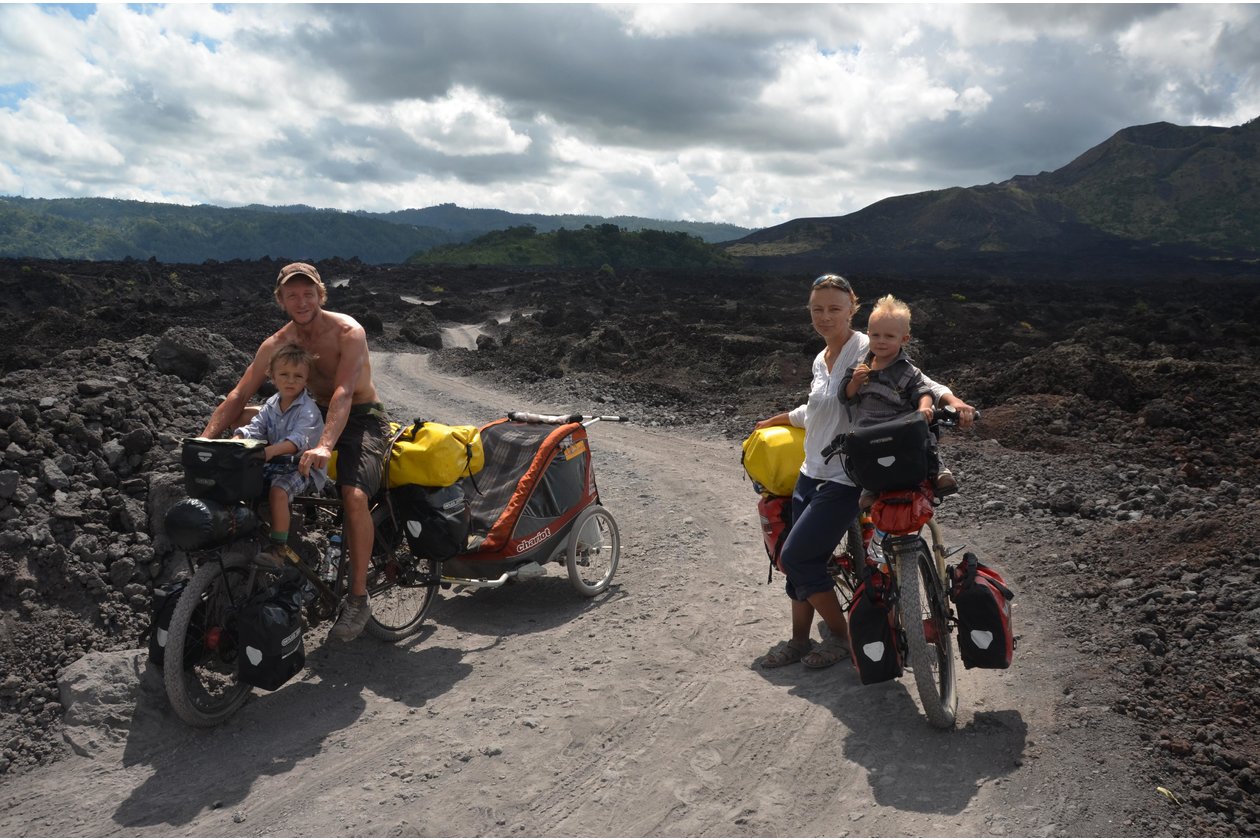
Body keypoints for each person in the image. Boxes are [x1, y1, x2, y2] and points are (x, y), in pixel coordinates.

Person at [753, 274, 975, 670]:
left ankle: (841, 636)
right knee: (798, 561)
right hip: (810, 472)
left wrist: (953, 401)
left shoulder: (867, 346)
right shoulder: (820, 359)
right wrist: (780, 418)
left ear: (851, 309)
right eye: (817, 309)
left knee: (797, 556)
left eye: (834, 309)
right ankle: (799, 640)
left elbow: (922, 379)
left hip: (844, 476)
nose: (824, 316)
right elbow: (817, 409)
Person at [201, 262, 389, 642]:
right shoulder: (278, 344)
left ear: (321, 294)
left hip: (359, 418)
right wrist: (205, 442)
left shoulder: (348, 332)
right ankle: (284, 544)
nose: (301, 301)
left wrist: (323, 445)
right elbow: (240, 393)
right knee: (251, 426)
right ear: (281, 300)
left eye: (308, 293)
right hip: (309, 413)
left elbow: (344, 393)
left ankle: (357, 598)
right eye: (292, 295)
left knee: (352, 496)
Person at [840, 294, 957, 508]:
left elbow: (923, 390)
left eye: (889, 336)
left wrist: (924, 408)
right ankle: (870, 488)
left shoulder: (908, 371)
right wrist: (855, 383)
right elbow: (845, 396)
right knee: (864, 452)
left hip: (901, 425)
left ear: (904, 339)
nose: (881, 341)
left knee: (925, 434)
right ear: (868, 335)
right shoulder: (859, 367)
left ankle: (938, 471)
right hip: (869, 426)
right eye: (875, 335)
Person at [231, 342, 327, 568]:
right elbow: (255, 427)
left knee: (278, 491)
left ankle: (279, 549)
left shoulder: (308, 410)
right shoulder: (271, 405)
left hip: (303, 467)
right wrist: (237, 439)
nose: (290, 380)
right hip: (276, 462)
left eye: (298, 376)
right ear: (272, 376)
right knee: (242, 484)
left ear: (306, 379)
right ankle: (247, 533)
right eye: (284, 374)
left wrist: (269, 451)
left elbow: (298, 440)